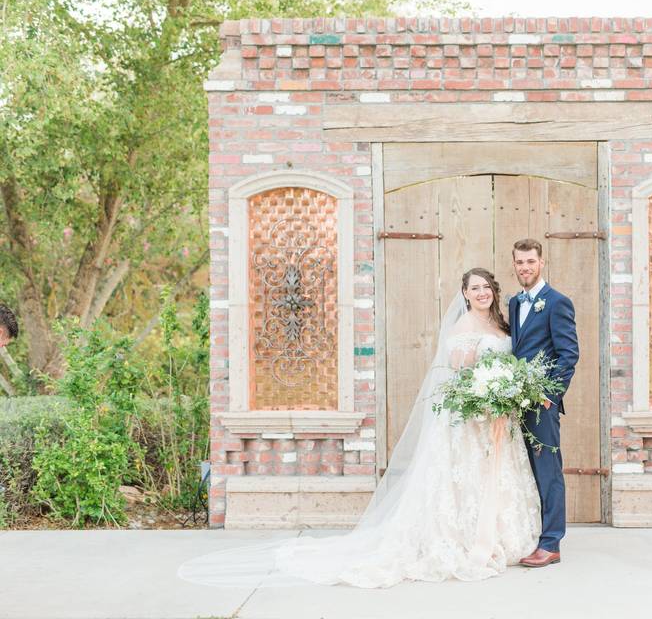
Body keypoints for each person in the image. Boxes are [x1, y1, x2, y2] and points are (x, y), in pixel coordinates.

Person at [179, 268, 540, 588]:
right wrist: (486, 384)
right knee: (465, 479)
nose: (481, 293)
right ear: (464, 294)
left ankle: (498, 535)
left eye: (485, 287)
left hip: (496, 416)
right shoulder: (464, 326)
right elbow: (460, 368)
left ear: (493, 290)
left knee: (491, 476)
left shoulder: (501, 324)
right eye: (474, 288)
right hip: (470, 415)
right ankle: (462, 539)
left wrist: (503, 389)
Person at [509, 238, 579, 568]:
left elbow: (568, 355)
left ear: (541, 263)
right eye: (520, 263)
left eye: (530, 262)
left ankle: (551, 543)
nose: (525, 267)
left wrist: (550, 396)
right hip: (514, 402)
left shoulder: (557, 302)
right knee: (522, 471)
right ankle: (529, 535)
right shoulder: (513, 303)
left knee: (548, 472)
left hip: (542, 404)